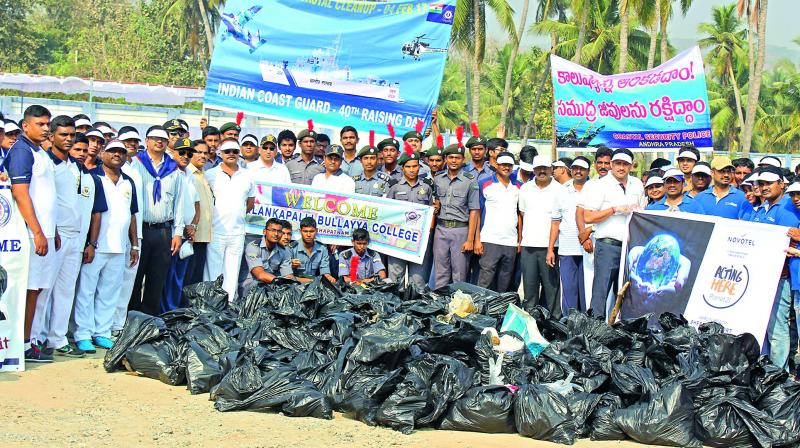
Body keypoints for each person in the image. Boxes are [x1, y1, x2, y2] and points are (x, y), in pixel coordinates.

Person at [31, 115, 106, 357]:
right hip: (54, 235)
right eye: (64, 135)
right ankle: (35, 338)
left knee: (65, 291)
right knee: (44, 289)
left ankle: (58, 337)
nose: (68, 139)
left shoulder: (82, 171)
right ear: (51, 136)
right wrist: (49, 230)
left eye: (71, 135)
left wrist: (89, 242)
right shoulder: (46, 164)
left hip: (76, 238)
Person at [73, 139, 138, 353]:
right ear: (102, 153)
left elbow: (132, 215)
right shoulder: (93, 178)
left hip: (119, 247)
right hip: (97, 246)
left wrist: (135, 245)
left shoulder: (128, 181)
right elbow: (92, 213)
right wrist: (90, 243)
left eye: (121, 152)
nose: (117, 155)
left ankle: (102, 332)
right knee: (86, 291)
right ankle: (82, 333)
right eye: (112, 151)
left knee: (110, 292)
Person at [5, 105, 58, 362]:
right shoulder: (22, 151)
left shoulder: (40, 152)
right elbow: (20, 192)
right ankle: (23, 344)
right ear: (25, 126)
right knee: (27, 290)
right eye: (40, 124)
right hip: (28, 233)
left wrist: (52, 230)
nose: (46, 128)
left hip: (45, 231)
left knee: (37, 290)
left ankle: (29, 340)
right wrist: (36, 231)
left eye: (48, 124)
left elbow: (47, 193)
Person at [130, 125, 186, 316]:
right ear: (146, 141)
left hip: (163, 230)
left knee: (157, 277)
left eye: (162, 139)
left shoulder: (173, 169)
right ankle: (132, 316)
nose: (159, 142)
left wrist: (178, 232)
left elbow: (179, 202)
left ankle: (149, 319)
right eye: (154, 138)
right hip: (141, 229)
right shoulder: (135, 164)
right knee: (135, 275)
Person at [747, 166, 800, 371]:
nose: (764, 187)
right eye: (761, 184)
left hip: (783, 276)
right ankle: (770, 371)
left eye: (769, 183)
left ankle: (779, 374)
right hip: (762, 275)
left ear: (781, 184)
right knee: (768, 327)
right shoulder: (761, 208)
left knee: (777, 328)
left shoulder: (789, 207)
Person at [583, 148, 644, 319]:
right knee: (601, 291)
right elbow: (588, 216)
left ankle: (618, 329)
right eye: (618, 163)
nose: (621, 167)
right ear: (611, 164)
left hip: (630, 247)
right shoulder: (600, 185)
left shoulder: (637, 184)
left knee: (626, 292)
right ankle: (594, 328)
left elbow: (643, 212)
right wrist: (614, 209)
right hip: (608, 245)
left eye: (625, 164)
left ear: (631, 166)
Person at [204, 138, 255, 301]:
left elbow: (250, 203)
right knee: (212, 270)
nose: (231, 154)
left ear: (239, 153)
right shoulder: (210, 174)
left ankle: (228, 304)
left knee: (232, 271)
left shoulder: (247, 176)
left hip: (237, 232)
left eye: (234, 151)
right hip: (216, 230)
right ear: (220, 153)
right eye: (227, 151)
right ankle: (209, 303)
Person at [519, 155, 565, 317]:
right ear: (533, 170)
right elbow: (523, 214)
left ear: (551, 169)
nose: (542, 171)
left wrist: (551, 248)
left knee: (551, 290)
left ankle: (554, 325)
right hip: (529, 246)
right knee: (530, 290)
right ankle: (530, 324)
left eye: (545, 168)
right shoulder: (525, 189)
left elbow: (559, 221)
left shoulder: (560, 190)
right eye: (538, 168)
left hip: (551, 248)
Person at [431, 138, 480, 289]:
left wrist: (470, 239)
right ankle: (439, 306)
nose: (454, 161)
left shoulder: (470, 181)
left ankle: (458, 308)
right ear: (446, 159)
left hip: (460, 231)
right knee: (441, 273)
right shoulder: (438, 179)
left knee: (459, 274)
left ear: (463, 159)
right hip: (441, 230)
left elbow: (474, 210)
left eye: (457, 158)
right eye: (450, 157)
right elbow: (435, 203)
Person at [385, 150, 436, 289]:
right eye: (408, 167)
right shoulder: (394, 186)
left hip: (419, 242)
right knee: (395, 280)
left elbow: (431, 211)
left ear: (419, 167)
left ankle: (415, 309)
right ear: (402, 168)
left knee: (418, 281)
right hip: (398, 240)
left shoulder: (427, 187)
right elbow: (387, 213)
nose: (412, 170)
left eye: (415, 166)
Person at [161, 138, 200, 312]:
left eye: (189, 153)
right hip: (172, 231)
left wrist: (193, 226)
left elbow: (196, 204)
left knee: (179, 275)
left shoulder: (189, 174)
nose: (186, 156)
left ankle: (174, 308)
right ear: (173, 153)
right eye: (182, 152)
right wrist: (182, 226)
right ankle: (165, 310)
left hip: (187, 233)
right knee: (167, 274)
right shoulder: (168, 172)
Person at [475, 151, 521, 293]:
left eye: (509, 165)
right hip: (490, 239)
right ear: (496, 165)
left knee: (505, 281)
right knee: (485, 280)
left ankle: (499, 312)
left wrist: (519, 240)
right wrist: (477, 239)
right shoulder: (484, 183)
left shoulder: (519, 186)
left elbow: (520, 214)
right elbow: (477, 212)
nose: (506, 168)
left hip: (511, 241)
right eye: (503, 165)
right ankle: (480, 311)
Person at [549, 156, 590, 313]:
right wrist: (550, 249)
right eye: (575, 168)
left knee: (587, 292)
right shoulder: (561, 191)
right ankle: (569, 326)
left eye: (582, 169)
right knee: (569, 292)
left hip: (589, 248)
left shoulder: (594, 189)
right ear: (570, 170)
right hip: (567, 248)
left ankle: (587, 325)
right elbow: (555, 222)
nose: (578, 171)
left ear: (588, 171)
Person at [241, 218, 295, 296]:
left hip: (270, 288)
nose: (276, 234)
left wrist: (294, 284)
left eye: (279, 231)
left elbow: (288, 275)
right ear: (264, 232)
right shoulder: (253, 247)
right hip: (249, 290)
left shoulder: (284, 251)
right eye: (273, 230)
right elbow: (260, 274)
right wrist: (280, 281)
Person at [186, 140, 213, 286]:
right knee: (187, 277)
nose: (202, 156)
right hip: (191, 234)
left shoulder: (204, 174)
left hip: (204, 235)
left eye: (205, 153)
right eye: (198, 152)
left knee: (196, 276)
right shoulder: (187, 173)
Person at [289, 217, 336, 284]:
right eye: (305, 231)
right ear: (300, 231)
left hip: (314, 285)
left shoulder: (322, 248)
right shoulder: (292, 248)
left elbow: (325, 272)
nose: (308, 235)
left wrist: (329, 278)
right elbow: (287, 275)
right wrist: (290, 264)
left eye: (311, 231)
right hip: (295, 284)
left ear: (316, 231)